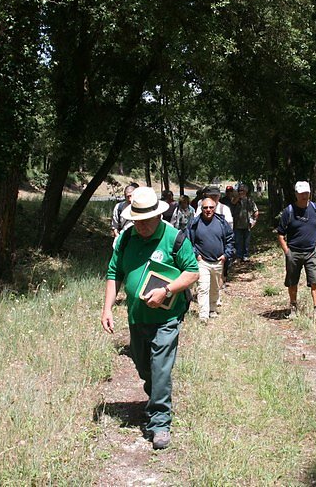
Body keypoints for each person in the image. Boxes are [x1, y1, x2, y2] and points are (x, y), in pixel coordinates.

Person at [100, 187, 199, 450]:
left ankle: (160, 422)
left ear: (158, 216)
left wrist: (167, 290)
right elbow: (114, 273)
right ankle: (155, 398)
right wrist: (107, 308)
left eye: (145, 221)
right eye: (137, 220)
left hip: (167, 317)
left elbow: (192, 272)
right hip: (137, 317)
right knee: (144, 366)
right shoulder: (126, 239)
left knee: (160, 367)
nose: (140, 226)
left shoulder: (174, 238)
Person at [276, 181, 316, 322]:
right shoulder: (289, 211)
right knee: (292, 281)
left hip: (312, 251)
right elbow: (280, 234)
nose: (304, 196)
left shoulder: (315, 208)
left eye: (306, 193)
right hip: (294, 252)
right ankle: (293, 307)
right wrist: (287, 251)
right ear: (296, 194)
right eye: (301, 193)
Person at [188, 197, 235, 323]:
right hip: (202, 261)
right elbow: (189, 241)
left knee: (215, 287)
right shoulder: (195, 223)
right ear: (201, 209)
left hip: (218, 261)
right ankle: (203, 315)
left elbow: (230, 239)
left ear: (214, 208)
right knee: (203, 287)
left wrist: (226, 255)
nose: (208, 210)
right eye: (205, 207)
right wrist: (196, 254)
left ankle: (212, 309)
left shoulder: (221, 222)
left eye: (211, 207)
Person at [231, 184, 259, 261]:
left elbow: (256, 211)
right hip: (237, 224)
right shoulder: (236, 200)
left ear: (246, 191)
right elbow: (233, 203)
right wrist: (238, 197)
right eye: (239, 190)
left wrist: (254, 221)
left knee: (246, 242)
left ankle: (245, 255)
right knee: (238, 241)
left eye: (242, 190)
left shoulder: (250, 200)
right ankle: (239, 256)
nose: (241, 192)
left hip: (247, 225)